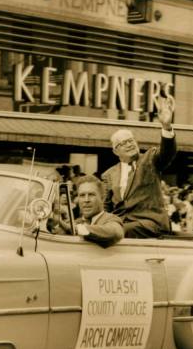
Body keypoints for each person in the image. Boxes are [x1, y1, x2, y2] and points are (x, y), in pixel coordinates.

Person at [101, 94, 176, 238]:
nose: (129, 144)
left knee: (118, 231)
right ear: (115, 151)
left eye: (131, 140)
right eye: (123, 143)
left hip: (150, 223)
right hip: (121, 224)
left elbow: (168, 153)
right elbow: (106, 207)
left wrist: (166, 126)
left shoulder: (149, 159)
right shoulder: (108, 174)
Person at [71, 175, 124, 248]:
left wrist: (80, 229)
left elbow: (116, 232)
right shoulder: (77, 222)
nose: (86, 200)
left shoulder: (111, 219)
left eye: (91, 195)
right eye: (82, 195)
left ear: (102, 198)